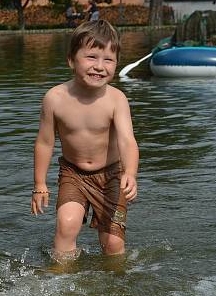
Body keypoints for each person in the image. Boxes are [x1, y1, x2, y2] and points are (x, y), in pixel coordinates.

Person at [31, 20, 139, 261]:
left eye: (108, 60)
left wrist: (130, 172)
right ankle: (60, 276)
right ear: (71, 60)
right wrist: (40, 183)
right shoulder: (55, 99)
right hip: (73, 174)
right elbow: (44, 143)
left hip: (112, 175)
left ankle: (115, 281)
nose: (99, 67)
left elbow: (127, 140)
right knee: (66, 225)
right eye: (91, 57)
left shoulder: (116, 99)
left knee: (112, 243)